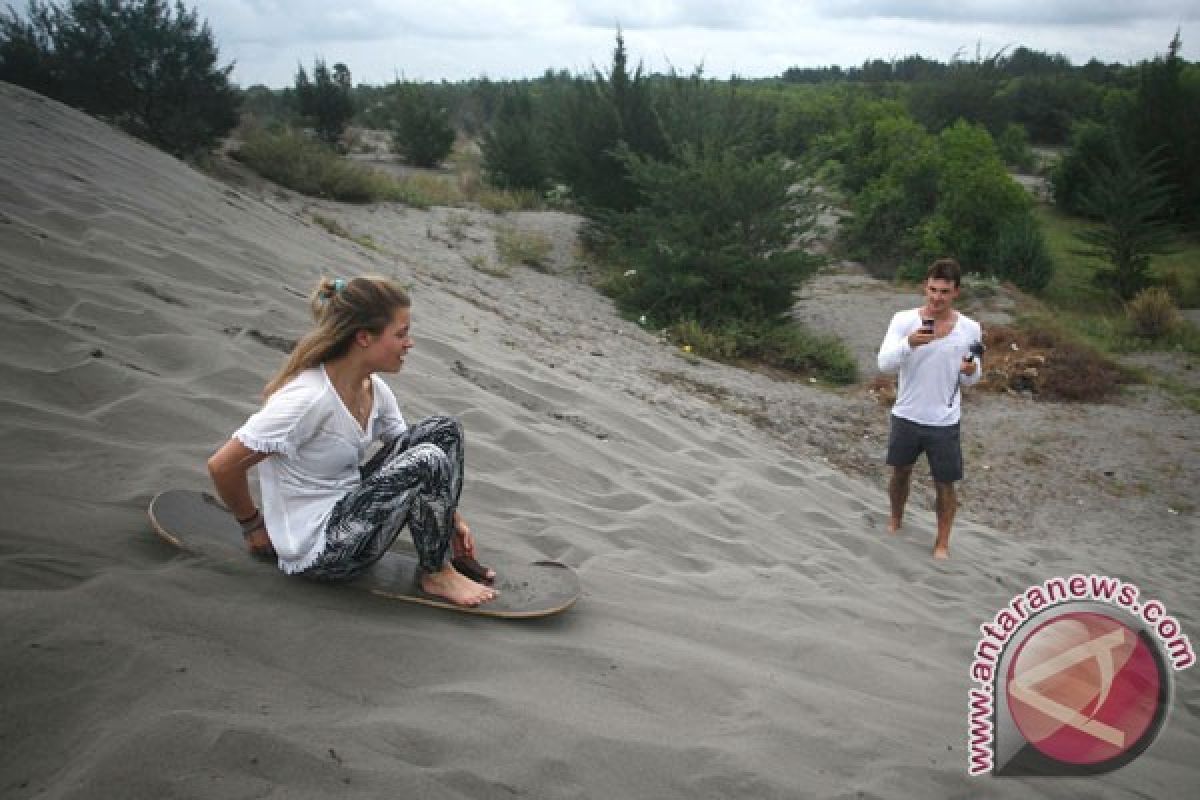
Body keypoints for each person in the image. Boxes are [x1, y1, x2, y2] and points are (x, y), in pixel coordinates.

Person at [207, 276, 497, 606]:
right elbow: (222, 466)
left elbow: (412, 459)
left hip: (351, 512)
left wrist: (450, 518)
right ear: (363, 337)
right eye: (400, 334)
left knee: (443, 431)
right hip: (320, 549)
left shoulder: (373, 389)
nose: (409, 343)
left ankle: (443, 551)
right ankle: (437, 574)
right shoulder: (307, 400)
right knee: (427, 458)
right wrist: (252, 525)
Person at [877, 258, 982, 560]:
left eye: (944, 292)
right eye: (933, 289)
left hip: (944, 420)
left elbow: (973, 378)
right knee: (900, 473)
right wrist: (909, 343)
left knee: (945, 484)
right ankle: (895, 521)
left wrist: (969, 369)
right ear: (925, 287)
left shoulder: (971, 328)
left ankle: (942, 544)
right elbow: (884, 364)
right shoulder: (903, 320)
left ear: (956, 293)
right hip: (906, 414)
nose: (937, 298)